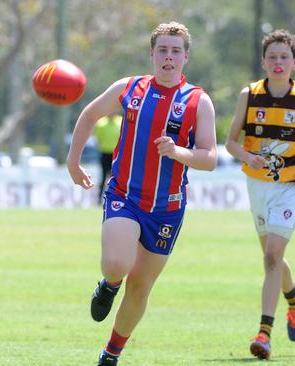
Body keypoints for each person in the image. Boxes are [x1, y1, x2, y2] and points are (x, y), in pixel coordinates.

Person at [66, 22, 217, 366]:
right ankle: (108, 283)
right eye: (162, 50)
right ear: (151, 55)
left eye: (175, 50)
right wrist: (73, 161)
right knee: (118, 264)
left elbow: (209, 157)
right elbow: (90, 114)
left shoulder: (198, 101)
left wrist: (178, 152)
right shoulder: (130, 88)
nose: (168, 57)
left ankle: (111, 353)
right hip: (125, 194)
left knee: (140, 286)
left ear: (186, 57)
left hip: (167, 209)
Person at [224, 29, 295, 360]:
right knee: (272, 258)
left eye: (284, 56)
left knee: (271, 257)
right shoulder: (249, 95)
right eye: (272, 57)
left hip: (290, 187)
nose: (278, 62)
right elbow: (230, 142)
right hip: (257, 185)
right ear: (263, 61)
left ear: (292, 61)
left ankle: (264, 334)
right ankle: (293, 301)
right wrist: (247, 156)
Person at [93, 114, 123, 201]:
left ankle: (115, 198)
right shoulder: (101, 123)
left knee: (116, 177)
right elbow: (98, 138)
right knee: (103, 177)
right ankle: (99, 199)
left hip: (117, 155)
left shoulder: (120, 121)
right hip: (105, 153)